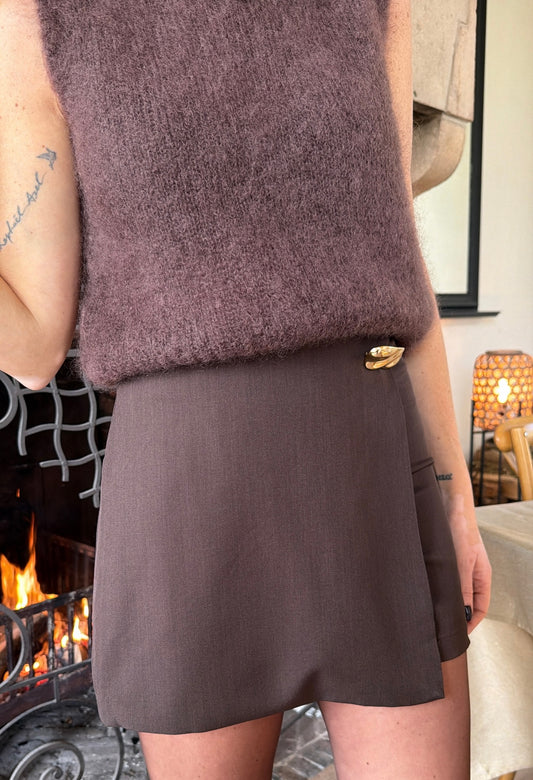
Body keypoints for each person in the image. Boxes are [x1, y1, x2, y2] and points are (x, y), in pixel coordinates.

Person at [1, 0, 491, 778]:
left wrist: (455, 497)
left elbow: (394, 240)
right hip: (188, 495)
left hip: (372, 466)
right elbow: (33, 342)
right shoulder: (39, 14)